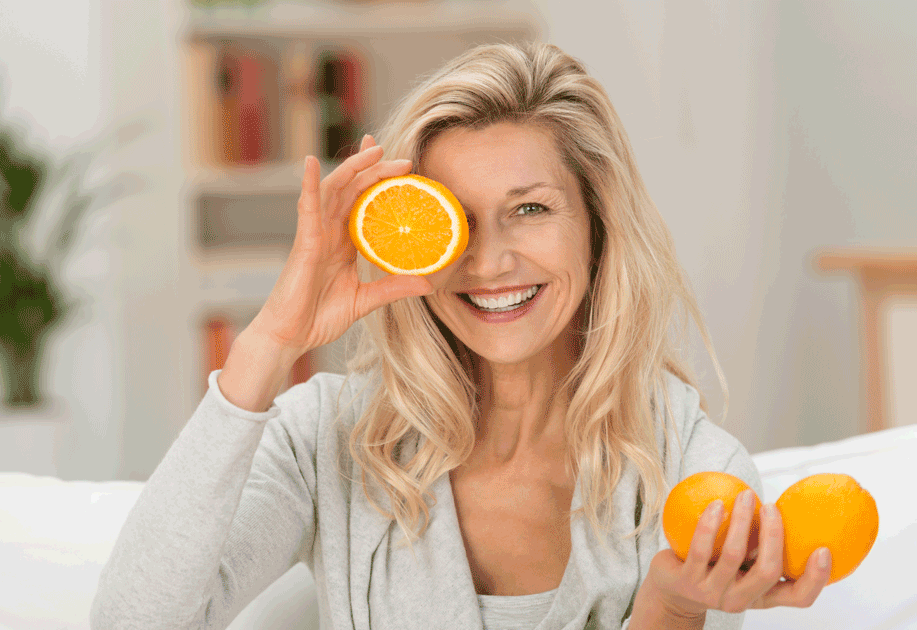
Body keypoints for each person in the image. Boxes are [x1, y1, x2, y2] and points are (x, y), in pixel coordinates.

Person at [91, 42, 831, 630]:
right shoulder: (326, 439)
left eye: (531, 210)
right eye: (459, 219)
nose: (488, 260)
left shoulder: (692, 471)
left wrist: (671, 609)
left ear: (597, 227)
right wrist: (267, 344)